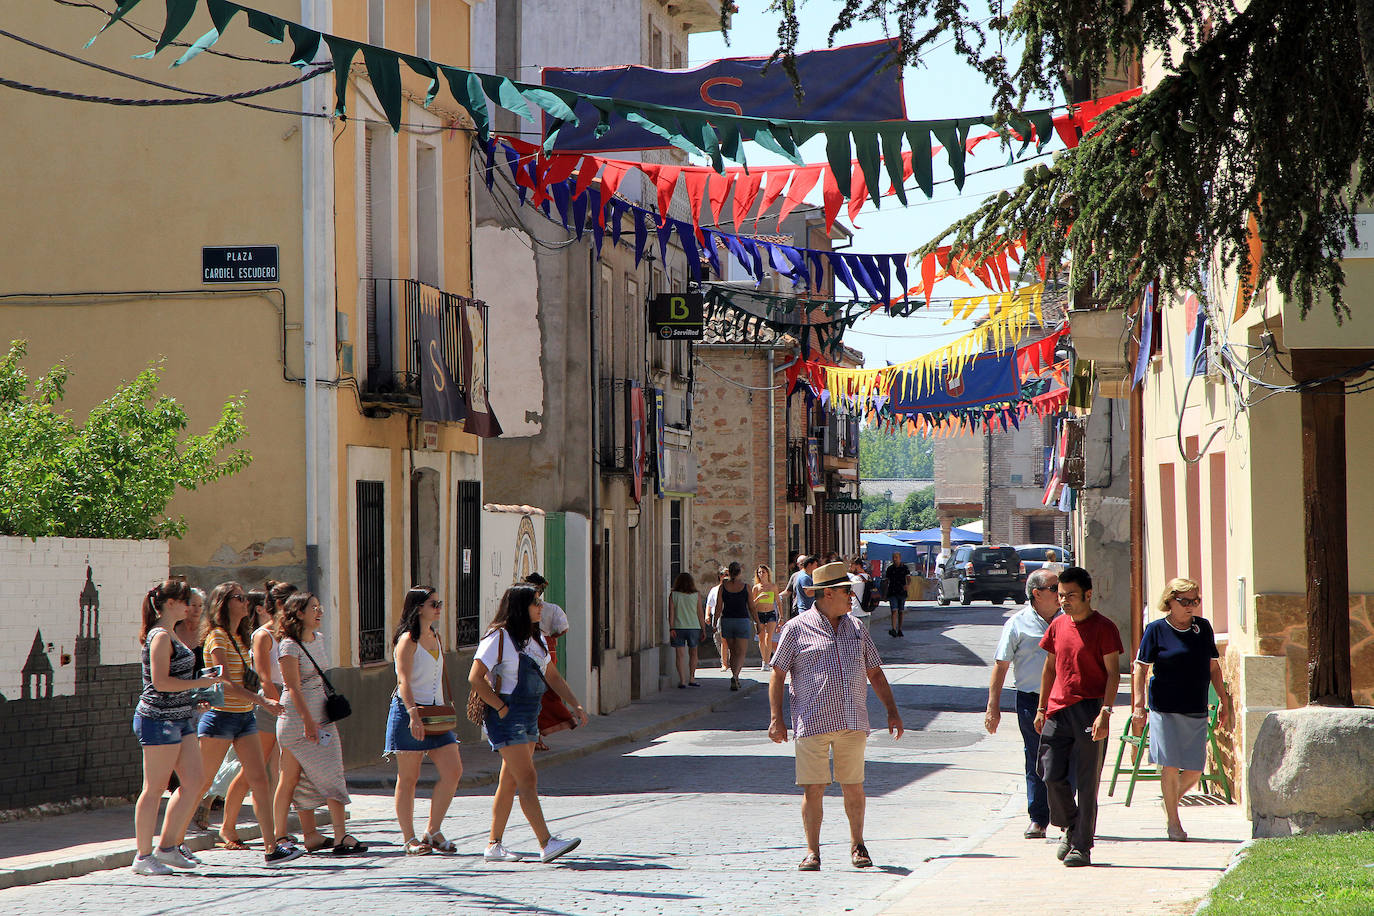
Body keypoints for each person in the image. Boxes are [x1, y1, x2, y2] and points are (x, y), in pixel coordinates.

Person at [768, 562, 904, 872]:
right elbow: (777, 674)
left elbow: (875, 672)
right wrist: (777, 718)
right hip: (812, 720)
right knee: (813, 788)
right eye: (847, 592)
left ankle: (858, 845)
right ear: (828, 593)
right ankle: (812, 852)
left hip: (852, 719)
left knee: (853, 785)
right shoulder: (796, 628)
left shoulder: (857, 628)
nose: (852, 597)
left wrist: (892, 711)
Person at [469, 585, 589, 864]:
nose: (541, 607)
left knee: (510, 781)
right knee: (527, 778)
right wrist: (500, 707)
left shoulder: (537, 639)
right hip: (508, 717)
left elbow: (553, 676)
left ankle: (494, 845)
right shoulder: (498, 637)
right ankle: (546, 842)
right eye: (535, 603)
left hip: (529, 715)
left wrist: (576, 704)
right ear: (520, 607)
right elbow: (475, 677)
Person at [193, 583, 302, 866]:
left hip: (244, 717)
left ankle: (271, 847)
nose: (246, 602)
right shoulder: (217, 637)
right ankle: (174, 842)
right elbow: (225, 683)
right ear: (223, 603)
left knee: (260, 779)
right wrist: (263, 701)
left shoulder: (240, 638)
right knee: (201, 782)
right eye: (238, 598)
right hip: (221, 717)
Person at [130, 579, 229, 876]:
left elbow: (176, 682)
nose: (190, 607)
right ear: (170, 604)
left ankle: (168, 847)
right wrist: (200, 683)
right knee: (154, 788)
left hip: (181, 716)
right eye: (185, 601)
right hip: (158, 718)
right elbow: (160, 683)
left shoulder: (171, 633)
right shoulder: (160, 636)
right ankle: (143, 855)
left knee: (195, 781)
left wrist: (196, 698)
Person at [1033, 566, 1123, 867]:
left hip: (1090, 709)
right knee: (1049, 773)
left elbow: (1113, 674)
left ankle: (1082, 847)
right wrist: (1042, 708)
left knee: (1086, 782)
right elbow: (1049, 667)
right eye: (1060, 595)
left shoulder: (1105, 628)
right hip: (1058, 709)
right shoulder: (1057, 625)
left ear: (1088, 594)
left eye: (1070, 595)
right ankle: (1071, 825)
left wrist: (1105, 713)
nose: (1064, 601)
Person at [1131, 577, 1230, 842]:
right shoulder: (1156, 630)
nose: (1190, 606)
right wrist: (1139, 706)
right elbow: (1140, 668)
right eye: (1184, 601)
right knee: (1170, 765)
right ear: (1170, 601)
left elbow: (1213, 667)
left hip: (1195, 706)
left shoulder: (1203, 628)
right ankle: (1173, 822)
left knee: (1195, 769)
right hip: (1164, 707)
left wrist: (1223, 699)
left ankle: (1169, 802)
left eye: (1195, 601)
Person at [273, 592, 366, 856]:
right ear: (298, 613)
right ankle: (289, 836)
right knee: (300, 777)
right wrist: (308, 722)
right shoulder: (289, 646)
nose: (319, 612)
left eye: (319, 606)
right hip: (298, 720)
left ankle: (314, 836)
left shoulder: (319, 639)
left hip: (320, 715)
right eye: (313, 608)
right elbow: (293, 687)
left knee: (311, 776)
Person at [985, 568, 1062, 840]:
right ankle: (1038, 818)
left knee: (1067, 757)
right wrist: (993, 706)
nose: (1061, 592)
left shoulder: (1069, 620)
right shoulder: (1017, 624)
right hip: (1030, 700)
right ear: (1037, 594)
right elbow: (1001, 665)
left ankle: (1066, 815)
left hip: (1064, 700)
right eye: (1054, 588)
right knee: (1036, 757)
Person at [387, 586, 464, 855]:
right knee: (409, 777)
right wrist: (412, 714)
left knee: (453, 770)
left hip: (436, 713)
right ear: (419, 607)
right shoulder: (408, 640)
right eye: (434, 604)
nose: (439, 608)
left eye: (439, 603)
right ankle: (409, 838)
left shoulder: (435, 636)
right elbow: (403, 681)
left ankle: (433, 830)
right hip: (410, 712)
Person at [524, 573, 574, 751]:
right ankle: (534, 737)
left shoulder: (519, 612)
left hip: (535, 652)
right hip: (545, 650)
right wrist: (551, 638)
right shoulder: (552, 609)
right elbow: (563, 628)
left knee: (537, 695)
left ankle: (532, 736)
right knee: (541, 695)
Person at [714, 562, 760, 691]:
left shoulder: (723, 587)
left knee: (733, 651)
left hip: (727, 621)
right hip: (742, 621)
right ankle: (735, 676)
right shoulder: (745, 587)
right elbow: (752, 607)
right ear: (740, 572)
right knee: (741, 652)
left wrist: (714, 622)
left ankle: (735, 676)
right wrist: (757, 622)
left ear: (729, 572)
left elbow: (718, 606)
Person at [668, 572, 705, 688]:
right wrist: (703, 629)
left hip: (678, 627)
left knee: (680, 655)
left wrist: (671, 628)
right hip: (694, 627)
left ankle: (682, 680)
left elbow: (671, 614)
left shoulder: (673, 595)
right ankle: (692, 678)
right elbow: (700, 614)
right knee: (693, 653)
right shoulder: (696, 595)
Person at [752, 565, 780, 670]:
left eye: (763, 572)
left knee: (768, 637)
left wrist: (781, 617)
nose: (761, 574)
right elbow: (752, 604)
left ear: (768, 573)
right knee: (761, 639)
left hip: (770, 613)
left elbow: (778, 602)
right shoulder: (756, 588)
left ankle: (767, 662)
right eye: (759, 572)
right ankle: (764, 660)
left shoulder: (773, 587)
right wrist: (759, 598)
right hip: (759, 614)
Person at [705, 566, 729, 670]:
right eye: (724, 574)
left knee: (726, 640)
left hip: (729, 616)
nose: (726, 577)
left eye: (728, 574)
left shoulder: (733, 589)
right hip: (718, 616)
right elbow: (709, 604)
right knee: (719, 639)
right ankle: (725, 660)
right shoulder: (714, 590)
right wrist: (707, 615)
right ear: (720, 576)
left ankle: (726, 662)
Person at [884, 553, 910, 638]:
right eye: (893, 557)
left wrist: (907, 585)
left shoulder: (905, 568)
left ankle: (900, 629)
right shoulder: (890, 569)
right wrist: (885, 593)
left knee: (901, 611)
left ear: (900, 558)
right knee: (894, 610)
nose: (895, 559)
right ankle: (894, 629)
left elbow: (909, 579)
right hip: (892, 592)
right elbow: (887, 581)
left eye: (896, 557)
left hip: (902, 592)